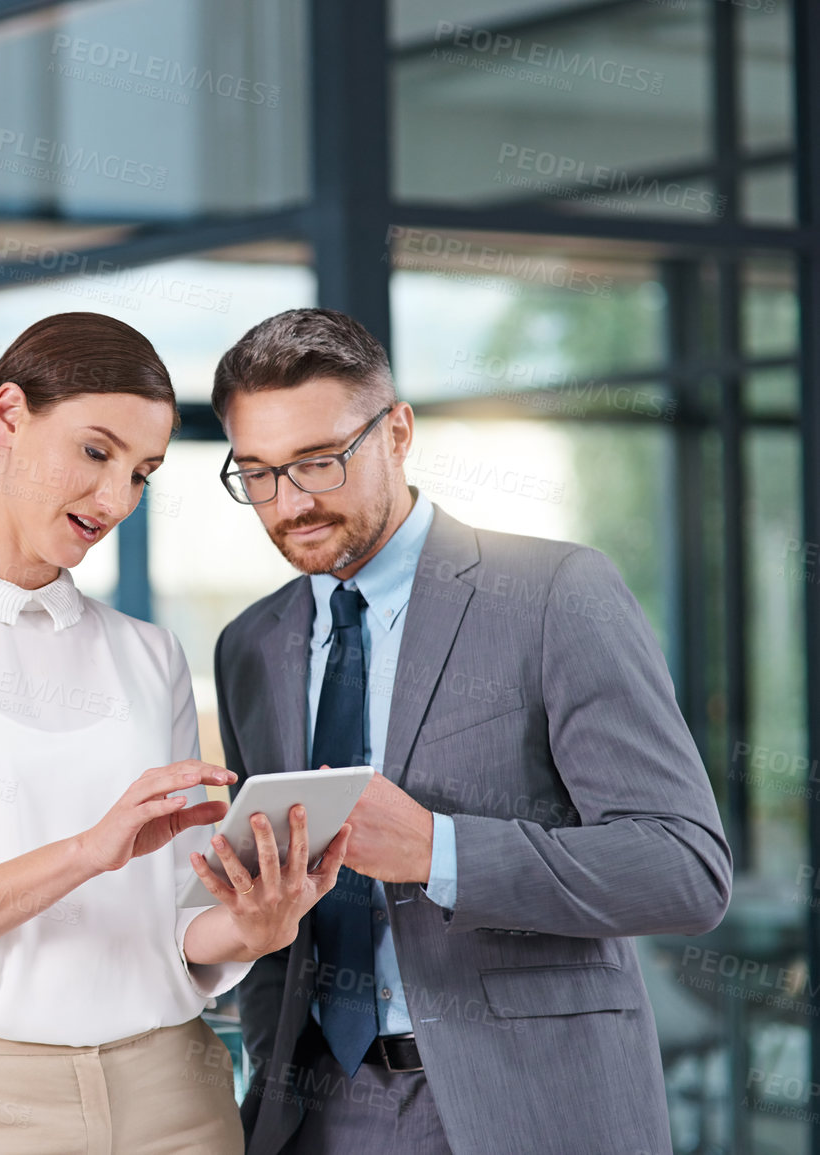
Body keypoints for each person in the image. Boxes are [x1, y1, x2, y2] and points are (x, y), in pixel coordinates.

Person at [0, 311, 351, 1154]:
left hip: (178, 1091)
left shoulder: (147, 654)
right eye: (96, 452)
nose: (114, 498)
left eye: (142, 473)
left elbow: (171, 922)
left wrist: (256, 926)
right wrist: (89, 850)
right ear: (10, 416)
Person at [210, 307, 732, 1154]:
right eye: (258, 473)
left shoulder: (554, 592)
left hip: (520, 1108)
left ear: (397, 432)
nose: (291, 501)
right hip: (311, 1113)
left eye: (318, 461)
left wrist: (435, 849)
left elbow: (684, 866)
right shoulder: (249, 645)